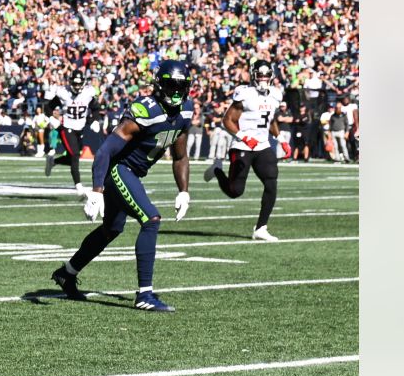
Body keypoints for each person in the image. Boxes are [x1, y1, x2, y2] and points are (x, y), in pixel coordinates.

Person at [51, 59, 194, 313]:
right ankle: (145, 294)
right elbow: (105, 150)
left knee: (111, 230)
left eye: (180, 87)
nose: (175, 92)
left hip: (133, 173)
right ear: (159, 85)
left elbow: (181, 156)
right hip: (118, 170)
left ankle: (67, 273)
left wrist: (183, 191)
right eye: (171, 85)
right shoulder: (145, 110)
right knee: (151, 219)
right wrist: (96, 191)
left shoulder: (184, 112)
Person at [205, 59, 283, 242]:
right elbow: (227, 120)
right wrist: (244, 137)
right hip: (242, 145)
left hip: (263, 145)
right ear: (253, 75)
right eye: (260, 75)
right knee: (235, 191)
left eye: (266, 75)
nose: (263, 79)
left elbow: (270, 120)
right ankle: (217, 170)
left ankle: (261, 228)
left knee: (271, 183)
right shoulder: (244, 94)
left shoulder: (275, 95)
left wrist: (279, 138)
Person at [45, 69, 99, 196]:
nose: (77, 86)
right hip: (67, 127)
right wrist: (53, 119)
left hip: (80, 128)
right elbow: (48, 107)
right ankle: (78, 185)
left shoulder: (87, 93)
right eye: (74, 84)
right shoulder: (64, 93)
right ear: (70, 82)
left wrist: (95, 120)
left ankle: (53, 162)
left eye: (79, 84)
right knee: (74, 155)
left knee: (72, 157)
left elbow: (95, 108)